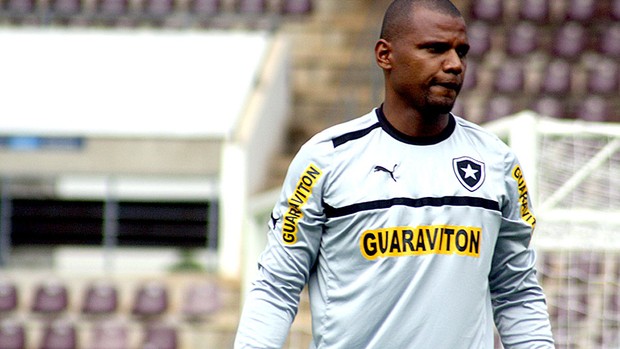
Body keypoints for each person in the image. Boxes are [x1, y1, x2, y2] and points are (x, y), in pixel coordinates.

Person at [234, 0, 555, 348]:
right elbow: (276, 287)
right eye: (434, 49)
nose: (454, 65)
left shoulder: (497, 161)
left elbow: (517, 293)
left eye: (461, 52)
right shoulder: (325, 159)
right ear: (385, 55)